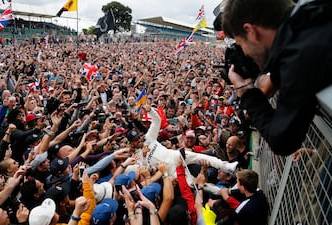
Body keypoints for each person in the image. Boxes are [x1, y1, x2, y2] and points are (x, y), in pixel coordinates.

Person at [223, 0, 332, 155]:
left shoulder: (299, 57)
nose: (245, 54)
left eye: (241, 44)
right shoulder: (311, 18)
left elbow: (283, 141)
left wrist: (246, 92)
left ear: (251, 31)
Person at [128, 106, 238, 185]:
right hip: (170, 170)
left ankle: (227, 166)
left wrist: (151, 111)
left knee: (201, 157)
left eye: (138, 137)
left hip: (174, 156)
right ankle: (222, 192)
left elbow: (157, 120)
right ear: (131, 143)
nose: (139, 140)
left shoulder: (148, 138)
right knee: (192, 184)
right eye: (135, 140)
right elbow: (146, 171)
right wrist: (144, 156)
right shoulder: (136, 158)